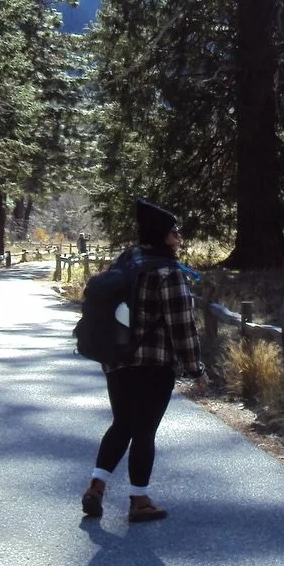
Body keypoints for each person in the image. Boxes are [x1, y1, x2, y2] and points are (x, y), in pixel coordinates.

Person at [81, 199, 202, 523]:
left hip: (117, 359)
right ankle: (139, 500)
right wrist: (194, 366)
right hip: (154, 364)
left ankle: (96, 486)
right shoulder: (167, 271)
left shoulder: (127, 262)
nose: (178, 236)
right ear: (163, 235)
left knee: (122, 424)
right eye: (174, 231)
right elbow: (181, 325)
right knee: (145, 431)